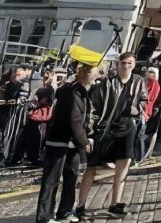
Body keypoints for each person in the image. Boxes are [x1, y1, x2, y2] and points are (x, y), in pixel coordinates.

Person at [75, 52, 148, 219]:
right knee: (92, 166)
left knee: (123, 164)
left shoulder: (138, 81)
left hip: (127, 126)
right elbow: (95, 105)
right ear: (118, 64)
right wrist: (92, 127)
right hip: (106, 127)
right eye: (123, 63)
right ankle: (80, 204)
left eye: (130, 63)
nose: (126, 66)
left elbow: (143, 99)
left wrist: (139, 110)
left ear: (134, 65)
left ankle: (115, 203)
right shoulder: (107, 83)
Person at [36, 63, 95, 223]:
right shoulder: (73, 91)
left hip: (71, 142)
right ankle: (44, 217)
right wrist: (84, 141)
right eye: (89, 72)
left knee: (71, 178)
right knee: (51, 180)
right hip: (60, 140)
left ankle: (65, 212)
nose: (91, 75)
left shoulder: (81, 91)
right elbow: (75, 118)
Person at [8, 71, 56, 167]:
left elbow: (47, 101)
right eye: (44, 77)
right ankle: (19, 158)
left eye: (46, 77)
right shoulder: (43, 88)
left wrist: (35, 102)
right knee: (26, 137)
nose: (44, 79)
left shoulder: (49, 89)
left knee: (34, 138)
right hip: (35, 116)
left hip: (40, 117)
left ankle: (29, 158)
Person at [136, 66, 160, 163]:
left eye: (152, 72)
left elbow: (148, 97)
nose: (149, 73)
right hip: (143, 109)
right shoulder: (146, 82)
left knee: (140, 134)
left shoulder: (153, 83)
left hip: (145, 110)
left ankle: (140, 156)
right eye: (148, 71)